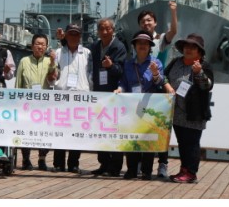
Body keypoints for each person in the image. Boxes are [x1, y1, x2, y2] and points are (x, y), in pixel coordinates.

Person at [115, 31, 165, 181]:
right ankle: (131, 169)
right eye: (139, 43)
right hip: (131, 105)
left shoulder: (157, 63)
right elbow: (123, 82)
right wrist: (119, 89)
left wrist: (156, 73)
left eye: (146, 43)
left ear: (150, 46)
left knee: (148, 139)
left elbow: (160, 83)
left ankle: (147, 171)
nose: (142, 46)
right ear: (135, 46)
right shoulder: (128, 64)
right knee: (132, 138)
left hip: (150, 105)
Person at [164, 34, 214, 183]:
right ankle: (183, 170)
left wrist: (199, 73)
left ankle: (191, 173)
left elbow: (207, 85)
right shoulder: (175, 62)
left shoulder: (205, 66)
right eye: (186, 46)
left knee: (192, 143)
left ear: (199, 52)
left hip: (195, 113)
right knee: (182, 143)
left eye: (193, 47)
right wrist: (166, 85)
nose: (188, 49)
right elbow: (163, 76)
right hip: (176, 112)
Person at [137, 1, 178, 177]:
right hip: (142, 89)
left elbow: (173, 32)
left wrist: (173, 12)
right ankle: (139, 161)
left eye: (149, 20)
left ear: (155, 22)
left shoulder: (160, 39)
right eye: (143, 21)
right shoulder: (138, 40)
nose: (146, 23)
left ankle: (163, 163)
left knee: (161, 126)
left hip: (160, 86)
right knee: (140, 126)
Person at [89, 18, 127, 177]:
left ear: (113, 30)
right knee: (100, 130)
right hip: (99, 93)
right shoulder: (95, 46)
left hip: (114, 94)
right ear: (97, 31)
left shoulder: (119, 47)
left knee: (114, 130)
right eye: (101, 29)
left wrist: (110, 66)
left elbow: (122, 71)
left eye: (107, 29)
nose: (104, 32)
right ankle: (103, 163)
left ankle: (116, 166)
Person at [52, 23, 91, 174]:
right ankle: (58, 163)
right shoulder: (58, 52)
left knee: (77, 132)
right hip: (62, 96)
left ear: (80, 36)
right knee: (60, 131)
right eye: (71, 34)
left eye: (76, 34)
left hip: (81, 97)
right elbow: (53, 73)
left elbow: (91, 74)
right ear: (66, 35)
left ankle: (74, 163)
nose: (73, 37)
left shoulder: (87, 53)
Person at [15, 33, 58, 171]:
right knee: (26, 131)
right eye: (37, 44)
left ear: (46, 47)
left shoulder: (49, 61)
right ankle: (26, 159)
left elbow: (53, 79)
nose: (40, 46)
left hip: (44, 105)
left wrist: (52, 62)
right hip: (27, 104)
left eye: (43, 44)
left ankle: (42, 159)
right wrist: (17, 102)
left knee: (44, 132)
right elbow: (18, 84)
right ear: (32, 45)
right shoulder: (24, 61)